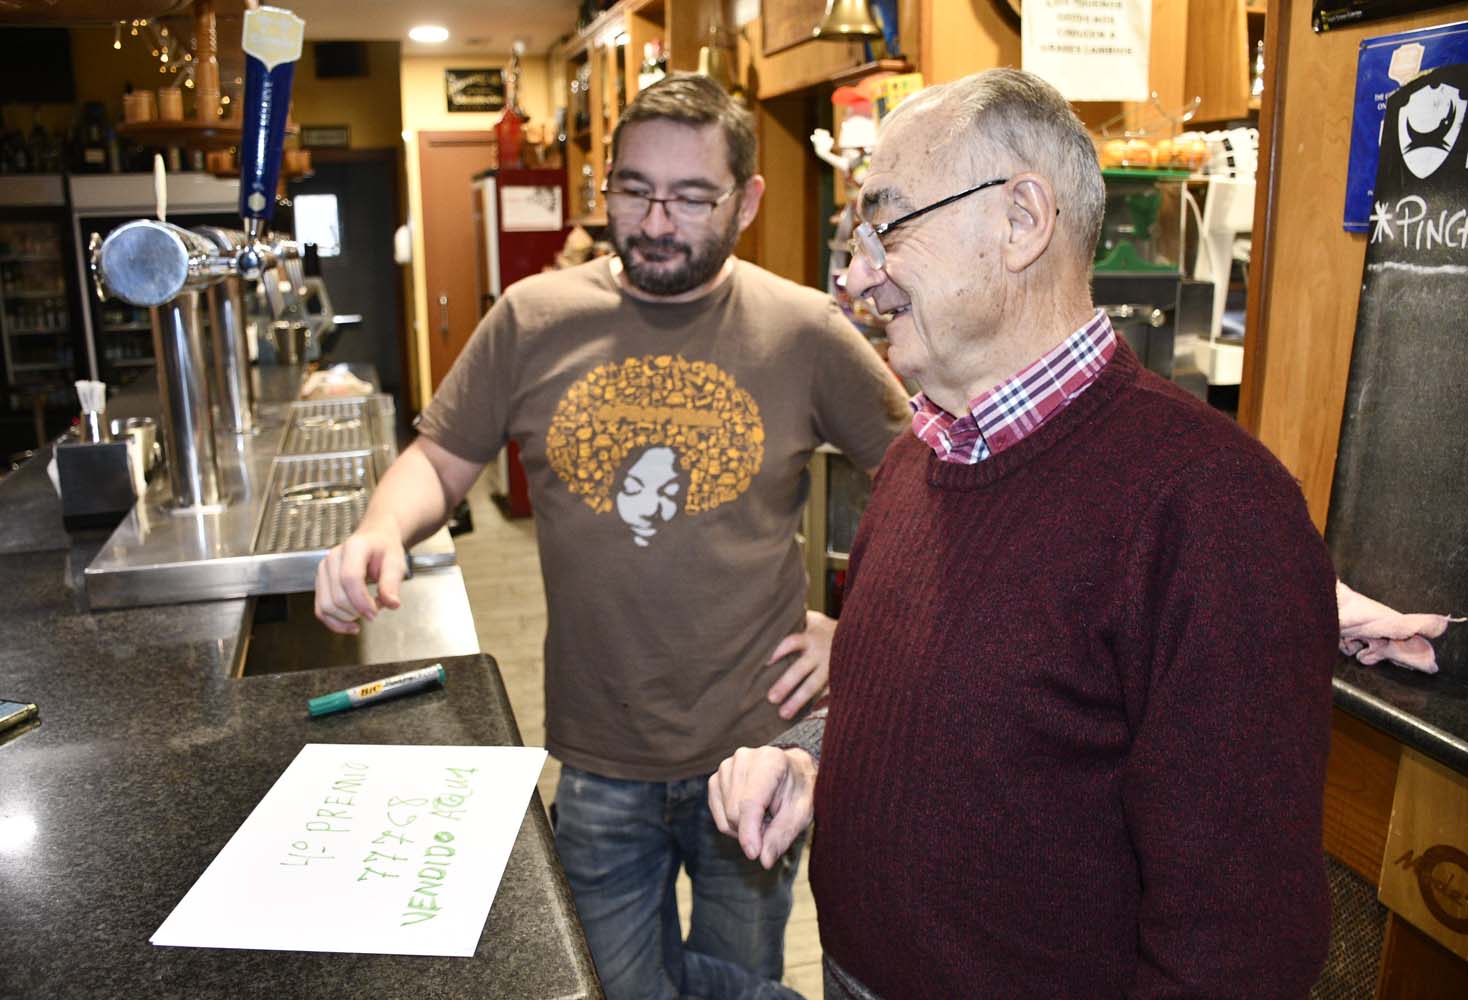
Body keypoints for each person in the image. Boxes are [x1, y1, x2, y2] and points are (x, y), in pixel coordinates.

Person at [708, 68, 1338, 999]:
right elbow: (953, 709)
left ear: (1021, 220)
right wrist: (810, 755)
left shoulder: (1212, 510)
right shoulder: (924, 453)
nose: (854, 276)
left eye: (886, 228)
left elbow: (1239, 943)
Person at [314, 72, 909, 1000]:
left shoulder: (803, 329)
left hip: (755, 754)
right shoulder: (533, 318)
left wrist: (860, 633)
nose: (657, 222)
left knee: (736, 986)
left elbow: (927, 488)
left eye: (692, 197)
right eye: (634, 190)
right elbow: (441, 457)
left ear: (748, 200)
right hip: (599, 755)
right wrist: (380, 528)